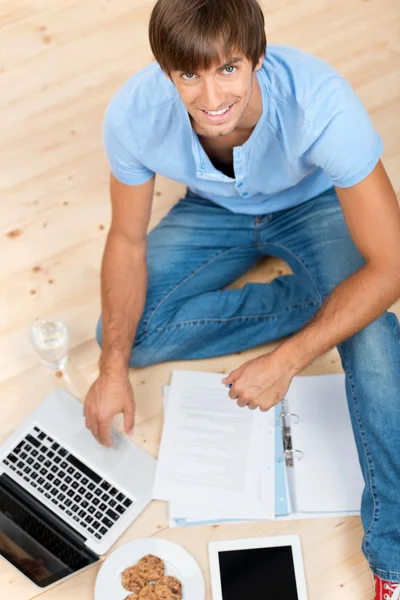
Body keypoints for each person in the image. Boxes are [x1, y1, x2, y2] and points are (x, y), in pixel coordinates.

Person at [83, 0, 400, 596]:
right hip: (214, 210)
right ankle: (322, 298)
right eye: (189, 75)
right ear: (166, 71)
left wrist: (287, 360)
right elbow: (125, 243)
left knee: (373, 331)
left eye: (228, 68)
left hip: (313, 203)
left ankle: (396, 562)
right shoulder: (134, 113)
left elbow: (394, 265)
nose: (209, 97)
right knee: (122, 333)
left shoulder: (323, 103)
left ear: (257, 57)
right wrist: (111, 369)